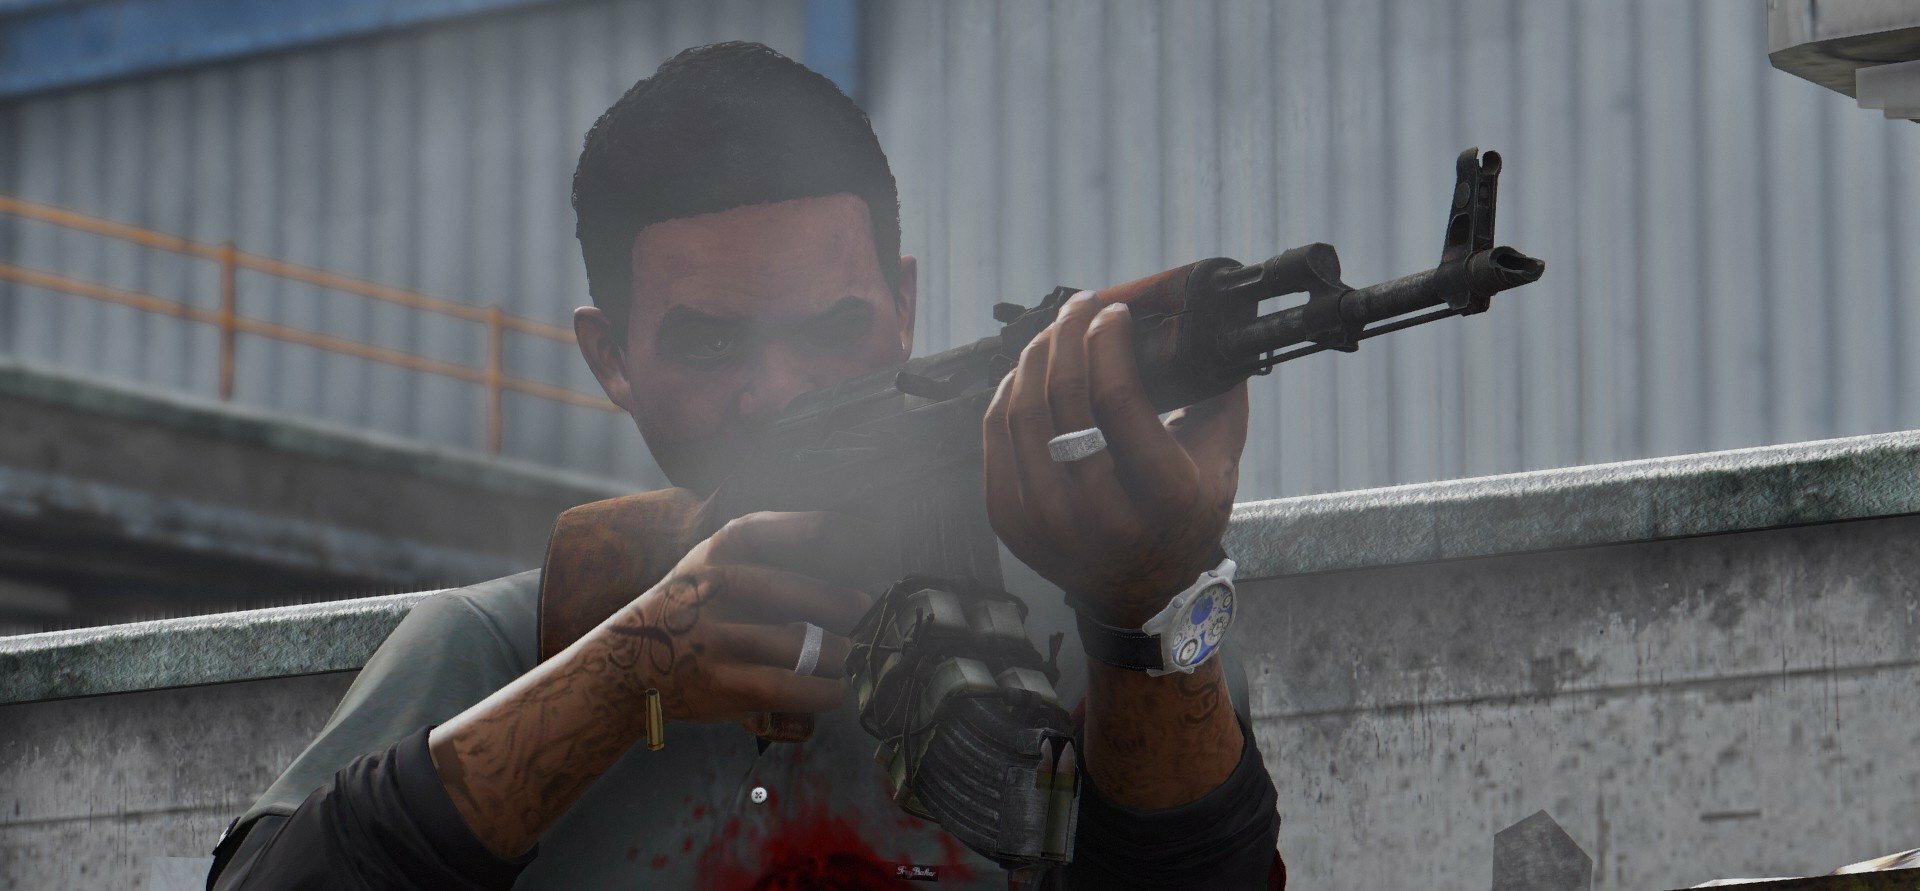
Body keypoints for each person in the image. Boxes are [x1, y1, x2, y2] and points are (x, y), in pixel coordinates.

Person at [207, 41, 1282, 889]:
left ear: (905, 306)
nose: (782, 391)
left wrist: (1143, 615)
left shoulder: (1094, 613)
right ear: (610, 357)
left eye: (832, 329)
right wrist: (625, 681)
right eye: (713, 341)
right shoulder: (512, 645)